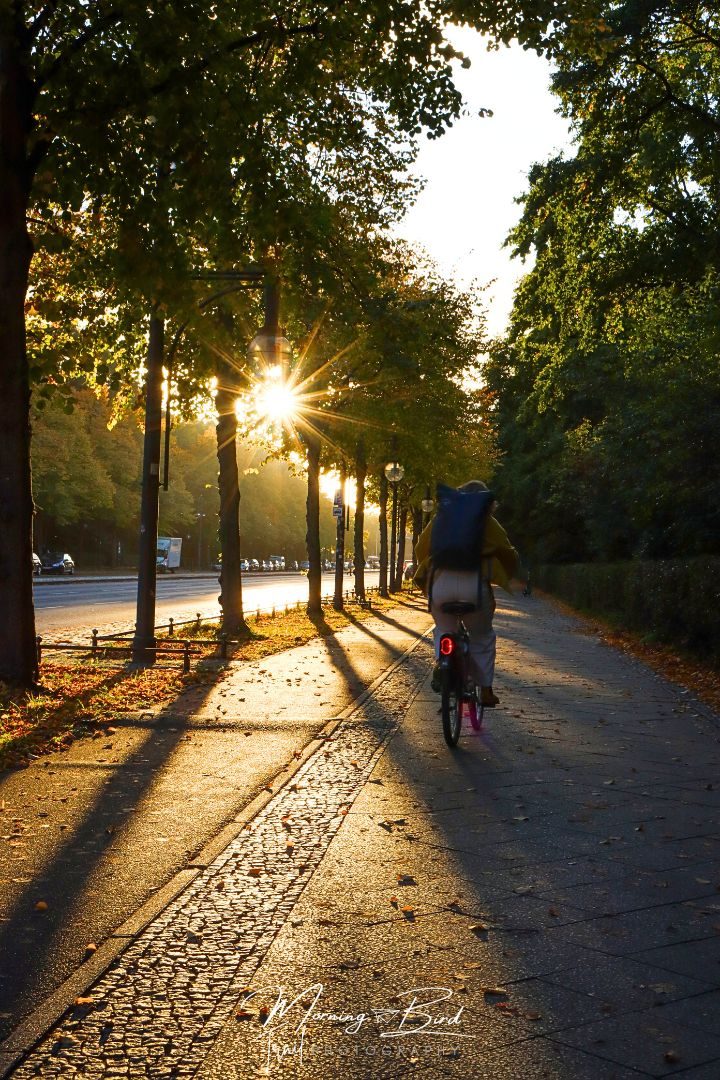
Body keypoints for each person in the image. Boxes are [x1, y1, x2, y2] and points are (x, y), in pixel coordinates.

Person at [413, 480, 520, 708]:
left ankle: (444, 665)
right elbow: (507, 552)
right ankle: (486, 689)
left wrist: (430, 566)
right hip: (474, 588)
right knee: (482, 636)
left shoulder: (441, 518)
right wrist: (507, 572)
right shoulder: (488, 522)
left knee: (444, 629)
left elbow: (421, 547)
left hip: (440, 585)